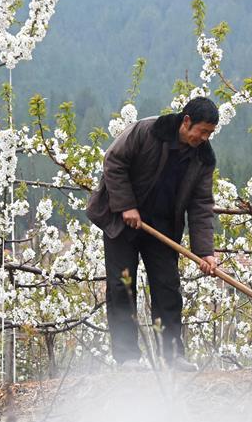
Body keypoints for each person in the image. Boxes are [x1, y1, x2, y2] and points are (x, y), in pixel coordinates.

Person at [87, 97, 219, 371]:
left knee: (168, 287)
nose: (204, 138)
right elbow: (113, 162)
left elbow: (201, 204)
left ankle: (172, 356)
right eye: (202, 131)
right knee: (122, 287)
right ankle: (127, 358)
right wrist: (126, 206)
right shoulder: (146, 131)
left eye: (210, 133)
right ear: (186, 121)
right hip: (122, 222)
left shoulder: (203, 158)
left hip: (162, 228)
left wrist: (205, 251)